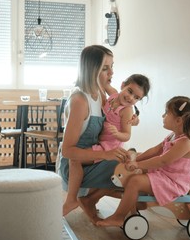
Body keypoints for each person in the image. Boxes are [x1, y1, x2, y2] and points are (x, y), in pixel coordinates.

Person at [97, 96, 190, 227]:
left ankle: (118, 217)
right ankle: (137, 203)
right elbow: (155, 150)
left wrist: (137, 164)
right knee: (136, 169)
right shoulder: (173, 136)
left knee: (135, 181)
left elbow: (162, 161)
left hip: (174, 183)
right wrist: (135, 158)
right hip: (165, 175)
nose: (163, 115)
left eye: (166, 113)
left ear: (178, 120)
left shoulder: (185, 143)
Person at [58, 45, 131, 224]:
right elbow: (68, 151)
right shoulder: (80, 100)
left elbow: (118, 104)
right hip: (75, 166)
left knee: (131, 161)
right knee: (130, 168)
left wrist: (131, 117)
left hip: (93, 158)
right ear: (92, 70)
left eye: (112, 66)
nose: (111, 72)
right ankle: (81, 199)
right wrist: (106, 154)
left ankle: (89, 199)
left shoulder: (99, 93)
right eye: (105, 68)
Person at [63, 74, 150, 216]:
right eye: (129, 91)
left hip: (109, 147)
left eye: (136, 98)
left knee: (75, 159)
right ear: (122, 85)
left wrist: (117, 133)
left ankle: (71, 200)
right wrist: (81, 80)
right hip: (100, 142)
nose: (130, 98)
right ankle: (86, 199)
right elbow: (101, 82)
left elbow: (127, 135)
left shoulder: (127, 110)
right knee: (76, 159)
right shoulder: (113, 94)